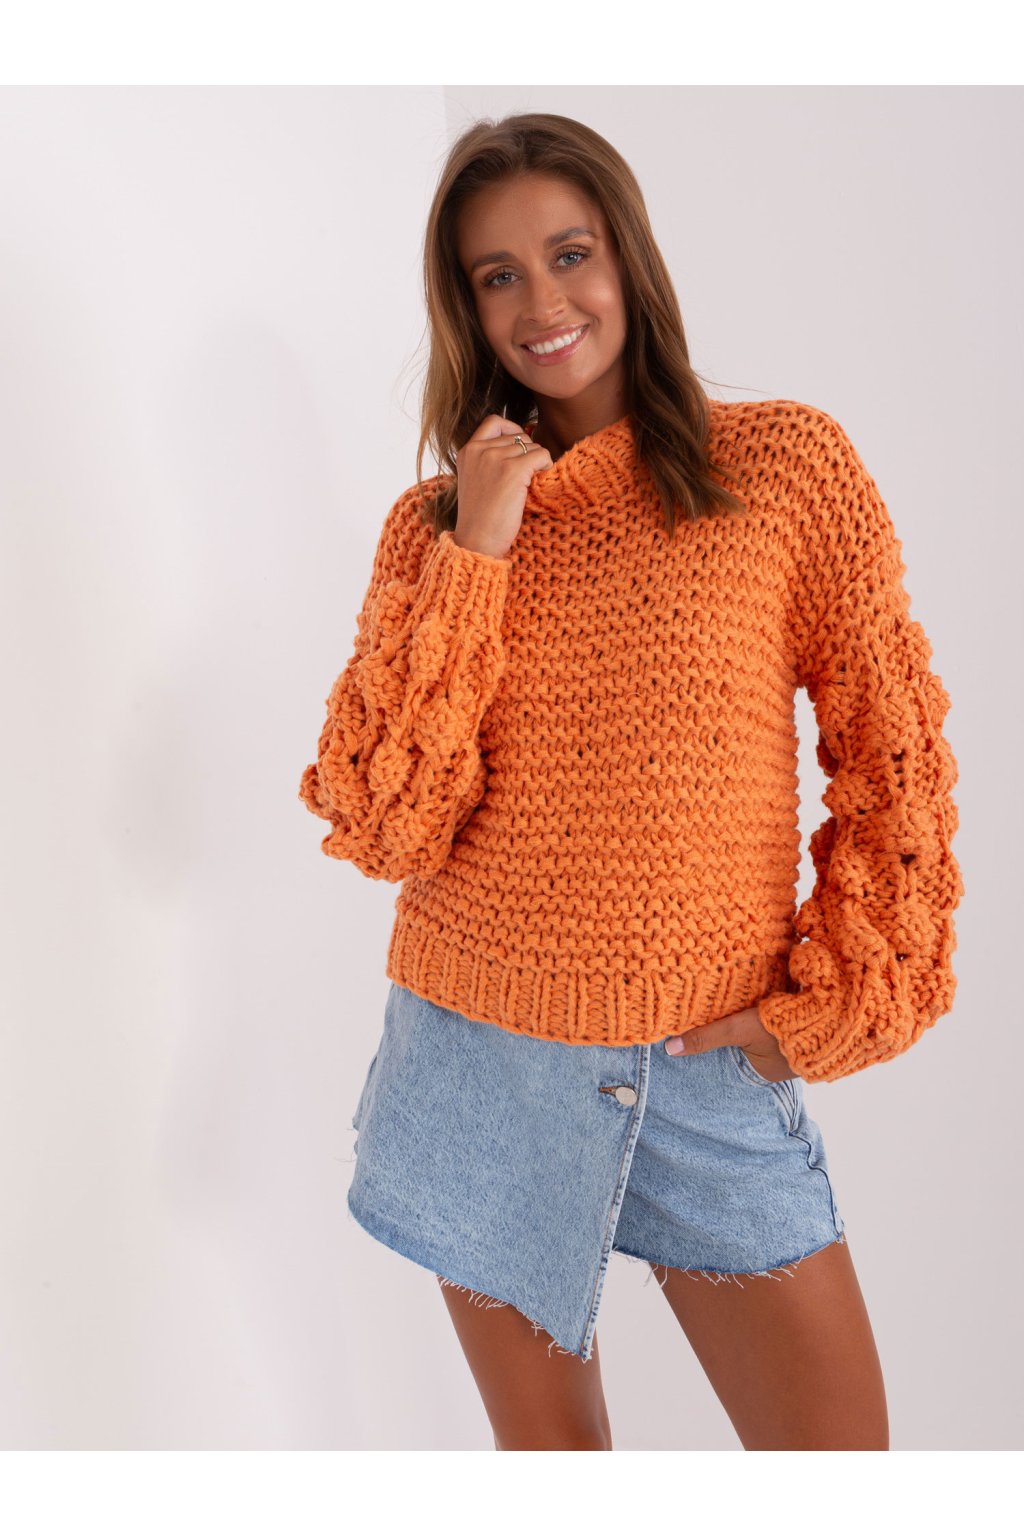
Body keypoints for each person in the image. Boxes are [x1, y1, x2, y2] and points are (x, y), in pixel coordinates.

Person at [297, 113, 963, 1451]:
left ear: (627, 258)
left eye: (570, 254)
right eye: (498, 275)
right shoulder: (433, 530)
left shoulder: (784, 470)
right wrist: (478, 547)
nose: (544, 304)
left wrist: (835, 996)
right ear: (466, 308)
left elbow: (894, 757)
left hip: (706, 1069)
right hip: (479, 1059)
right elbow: (383, 821)